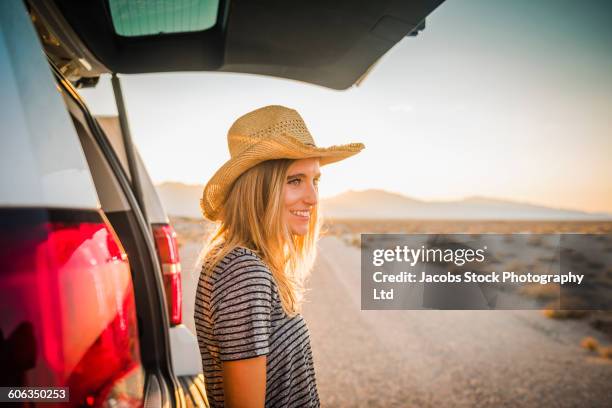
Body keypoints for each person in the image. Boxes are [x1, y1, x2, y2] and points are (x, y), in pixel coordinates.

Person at [194, 105, 364, 407]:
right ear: (258, 188)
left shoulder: (247, 263)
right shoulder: (243, 272)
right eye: (295, 180)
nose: (312, 198)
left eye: (316, 180)